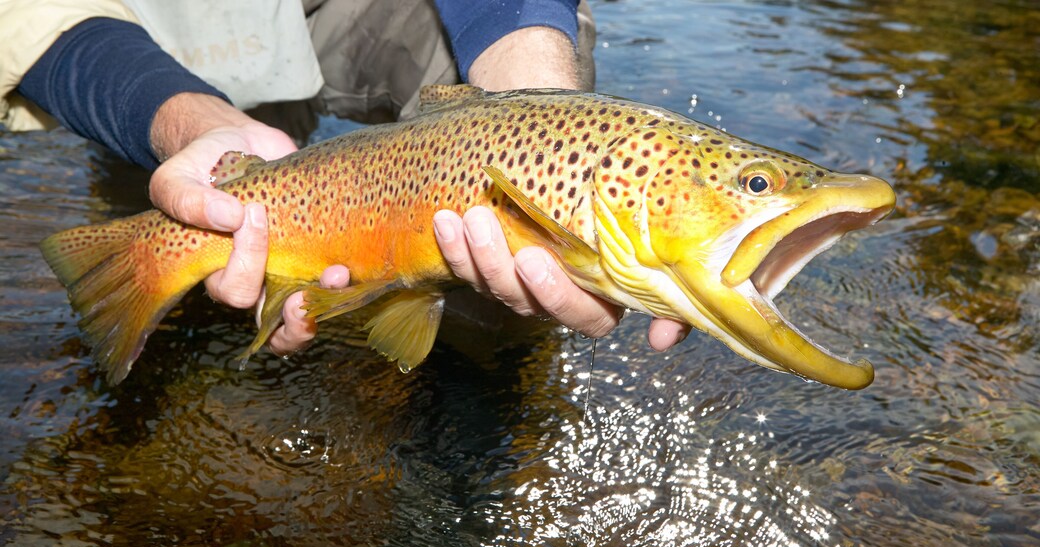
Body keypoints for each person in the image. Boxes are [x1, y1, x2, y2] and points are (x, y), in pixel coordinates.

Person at [1, 0, 688, 360]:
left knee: (549, 56)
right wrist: (178, 121)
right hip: (136, 25)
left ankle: (481, 340)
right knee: (195, 218)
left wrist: (540, 124)